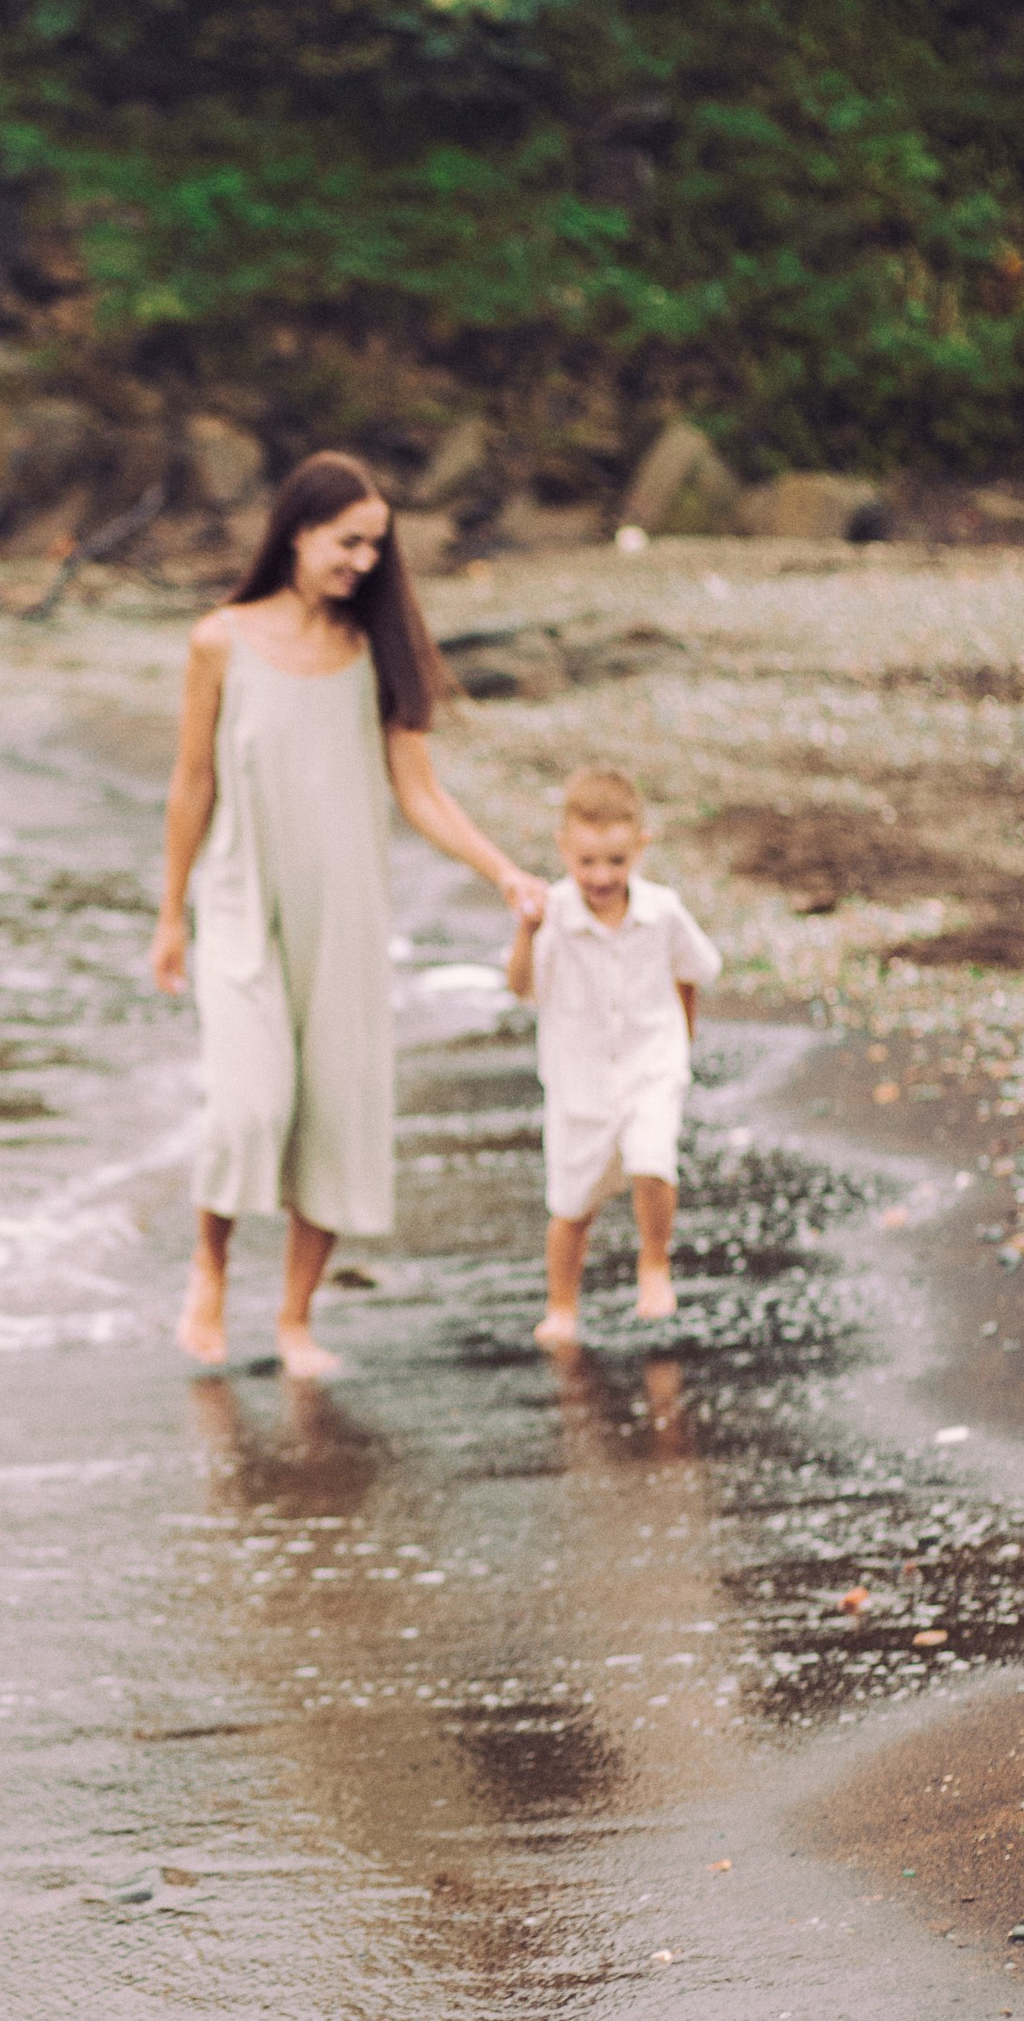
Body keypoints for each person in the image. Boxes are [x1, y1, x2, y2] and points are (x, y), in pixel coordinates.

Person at [152, 449, 546, 1375]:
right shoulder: (220, 641)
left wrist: (504, 872)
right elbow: (192, 782)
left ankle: (294, 1323)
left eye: (375, 547)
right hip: (244, 899)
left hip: (347, 913)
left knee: (335, 1116)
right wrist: (170, 913)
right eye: (348, 542)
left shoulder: (375, 654)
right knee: (249, 1109)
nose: (363, 563)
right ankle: (208, 1268)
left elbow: (422, 794)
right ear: (297, 530)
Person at [505, 762, 721, 1344]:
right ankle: (562, 1306)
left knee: (652, 1158)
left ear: (641, 848)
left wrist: (682, 1042)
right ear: (564, 850)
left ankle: (654, 1263)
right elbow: (519, 987)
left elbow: (693, 971)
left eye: (617, 861)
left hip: (651, 1062)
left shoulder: (663, 911)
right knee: (572, 1205)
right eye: (587, 862)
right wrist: (525, 932)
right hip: (579, 1083)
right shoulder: (551, 916)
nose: (601, 875)